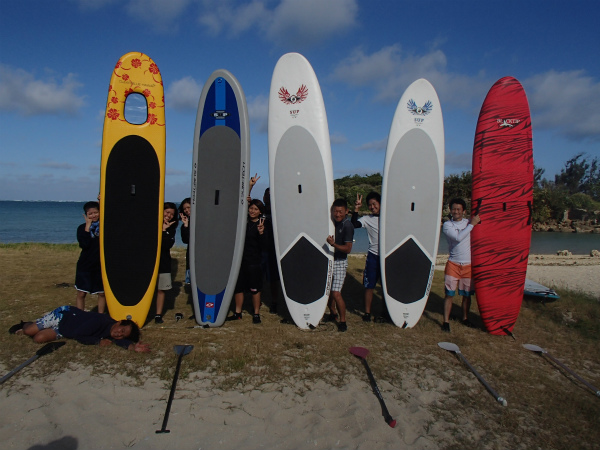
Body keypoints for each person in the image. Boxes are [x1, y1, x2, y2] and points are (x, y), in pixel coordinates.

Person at [8, 305, 150, 352]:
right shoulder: (99, 322)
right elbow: (78, 336)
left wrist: (132, 346)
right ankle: (24, 323)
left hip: (64, 329)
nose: (119, 334)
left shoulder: (114, 333)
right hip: (64, 316)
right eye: (122, 330)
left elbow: (117, 341)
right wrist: (97, 342)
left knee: (38, 339)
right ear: (119, 323)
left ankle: (37, 328)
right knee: (29, 331)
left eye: (123, 335)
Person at [441, 198, 481, 332]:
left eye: (458, 209)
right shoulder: (447, 225)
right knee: (449, 294)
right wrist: (472, 225)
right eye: (453, 209)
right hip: (453, 264)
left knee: (467, 295)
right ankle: (446, 321)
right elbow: (458, 238)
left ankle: (465, 318)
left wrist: (474, 223)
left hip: (468, 265)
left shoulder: (469, 222)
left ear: (464, 211)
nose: (456, 211)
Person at [230, 198, 267, 324]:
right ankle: (238, 312)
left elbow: (264, 246)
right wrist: (250, 187)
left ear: (260, 212)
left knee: (254, 289)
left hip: (254, 261)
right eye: (251, 208)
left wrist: (261, 233)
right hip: (240, 260)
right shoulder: (243, 221)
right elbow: (243, 200)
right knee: (238, 287)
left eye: (256, 209)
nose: (252, 211)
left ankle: (256, 313)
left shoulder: (262, 224)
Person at [351, 192, 382, 322]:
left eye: (374, 204)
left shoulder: (389, 217)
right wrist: (356, 209)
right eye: (370, 205)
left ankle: (388, 312)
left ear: (381, 203)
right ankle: (367, 313)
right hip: (373, 256)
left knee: (388, 287)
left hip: (387, 257)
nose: (372, 207)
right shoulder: (367, 219)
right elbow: (353, 225)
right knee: (369, 286)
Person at [325, 199, 354, 332]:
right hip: (330, 259)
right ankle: (333, 314)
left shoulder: (347, 226)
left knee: (336, 293)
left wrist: (333, 244)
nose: (337, 214)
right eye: (335, 211)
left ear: (346, 211)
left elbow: (348, 249)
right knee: (329, 292)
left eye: (340, 212)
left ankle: (343, 321)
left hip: (340, 262)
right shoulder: (332, 222)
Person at [75, 201, 106, 313]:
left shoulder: (104, 227)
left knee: (102, 293)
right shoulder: (82, 228)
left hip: (100, 265)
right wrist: (87, 227)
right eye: (90, 213)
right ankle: (80, 315)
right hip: (85, 265)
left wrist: (101, 200)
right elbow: (84, 245)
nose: (93, 215)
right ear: (86, 215)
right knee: (81, 293)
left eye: (95, 212)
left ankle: (100, 316)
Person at [155, 202, 178, 324]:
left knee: (161, 289)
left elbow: (166, 246)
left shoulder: (171, 229)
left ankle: (158, 314)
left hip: (163, 263)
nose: (168, 216)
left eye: (172, 214)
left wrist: (164, 230)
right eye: (167, 212)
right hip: (150, 263)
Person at [178, 197, 191, 285]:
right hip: (191, 258)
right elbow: (185, 240)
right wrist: (186, 225)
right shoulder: (185, 225)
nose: (186, 210)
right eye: (184, 209)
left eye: (188, 207)